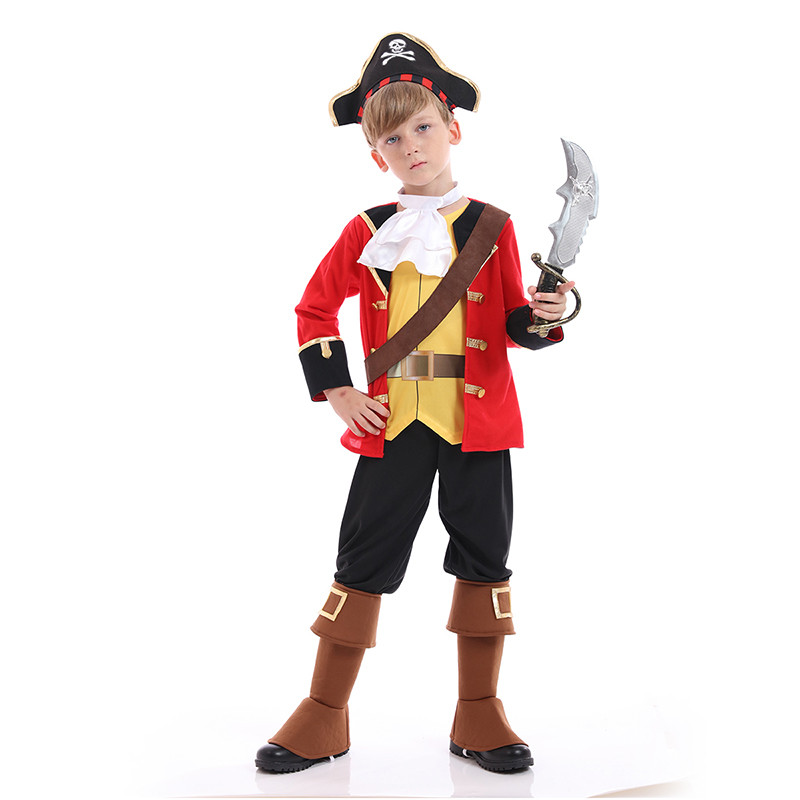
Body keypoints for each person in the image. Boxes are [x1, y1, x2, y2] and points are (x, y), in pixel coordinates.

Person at [255, 32, 576, 775]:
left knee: (485, 560)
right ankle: (324, 713)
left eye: (423, 127)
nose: (411, 147)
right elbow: (314, 310)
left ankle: (479, 711)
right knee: (362, 560)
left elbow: (515, 325)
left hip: (477, 424)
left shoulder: (494, 227)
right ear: (377, 156)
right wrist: (339, 391)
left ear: (453, 128)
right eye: (393, 139)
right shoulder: (367, 231)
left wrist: (548, 314)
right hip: (393, 423)